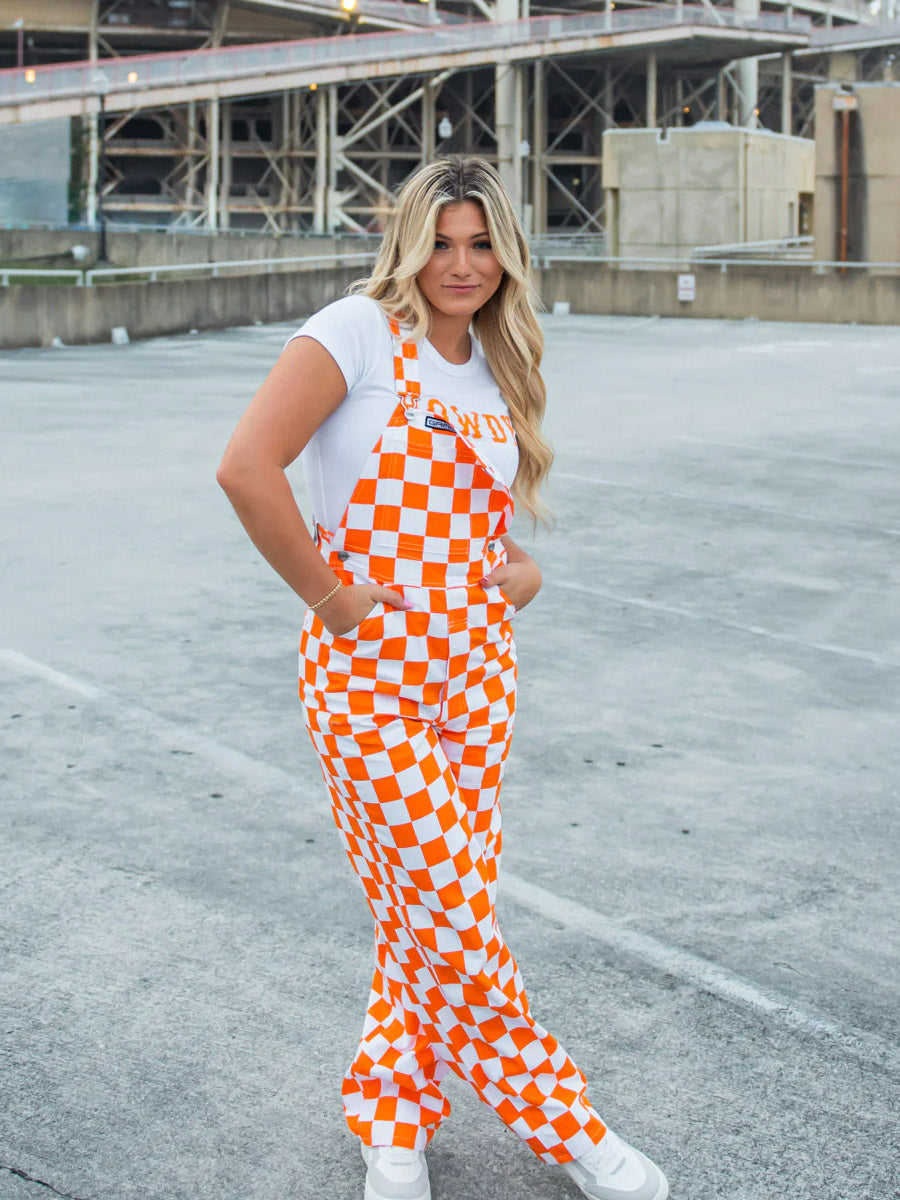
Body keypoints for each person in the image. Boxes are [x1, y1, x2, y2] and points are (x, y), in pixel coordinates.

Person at [216, 154, 668, 1200]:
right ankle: (571, 1126)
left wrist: (522, 573)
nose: (461, 267)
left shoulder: (497, 364)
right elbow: (246, 466)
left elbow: (488, 520)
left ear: (506, 254)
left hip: (478, 677)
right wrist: (331, 601)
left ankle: (392, 1125)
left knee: (426, 907)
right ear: (409, 246)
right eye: (442, 244)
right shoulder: (356, 333)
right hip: (369, 676)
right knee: (458, 913)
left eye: (481, 245)